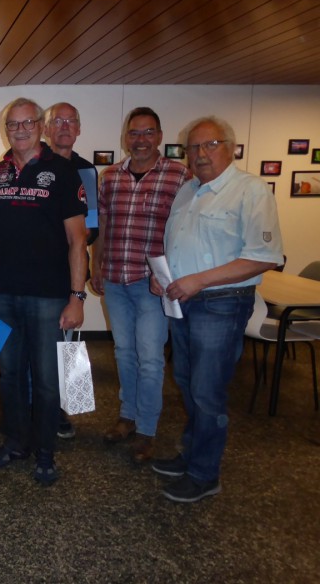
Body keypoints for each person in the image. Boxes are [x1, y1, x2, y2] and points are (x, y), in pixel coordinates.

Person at [151, 116, 283, 502]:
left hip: (222, 304)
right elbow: (182, 245)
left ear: (231, 148)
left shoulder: (250, 191)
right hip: (183, 301)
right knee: (188, 382)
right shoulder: (188, 190)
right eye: (193, 147)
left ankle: (204, 474)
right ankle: (192, 454)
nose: (200, 153)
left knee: (207, 391)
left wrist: (199, 280)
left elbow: (264, 257)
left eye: (210, 145)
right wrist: (164, 277)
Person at [0, 98, 88, 486]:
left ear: (40, 126)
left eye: (27, 123)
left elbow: (78, 240)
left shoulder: (63, 172)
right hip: (5, 295)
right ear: (5, 129)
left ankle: (45, 452)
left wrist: (77, 297)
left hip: (50, 297)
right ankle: (15, 442)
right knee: (8, 375)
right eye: (13, 124)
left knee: (46, 379)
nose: (20, 130)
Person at [90, 107, 190, 464]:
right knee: (123, 352)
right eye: (134, 133)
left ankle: (147, 430)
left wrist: (174, 274)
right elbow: (103, 226)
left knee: (149, 358)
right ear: (125, 138)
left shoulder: (179, 176)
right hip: (115, 279)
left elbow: (185, 230)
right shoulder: (110, 177)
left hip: (152, 285)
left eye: (148, 132)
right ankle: (127, 416)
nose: (141, 140)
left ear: (160, 137)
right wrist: (96, 264)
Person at [43, 101, 100, 440]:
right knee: (36, 343)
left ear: (78, 129)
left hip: (71, 271)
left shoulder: (87, 171)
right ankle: (38, 407)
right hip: (38, 270)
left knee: (68, 340)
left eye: (70, 121)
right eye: (58, 121)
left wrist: (65, 232)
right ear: (46, 128)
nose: (64, 127)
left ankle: (65, 409)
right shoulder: (32, 162)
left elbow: (90, 230)